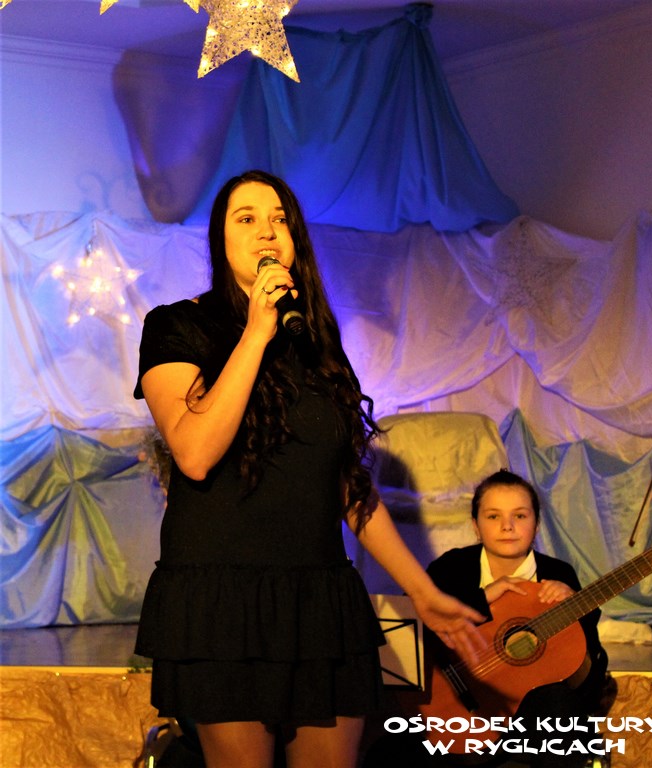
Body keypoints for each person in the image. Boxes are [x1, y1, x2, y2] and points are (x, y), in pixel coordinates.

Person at [132, 169, 486, 768]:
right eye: (246, 218)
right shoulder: (175, 326)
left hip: (319, 598)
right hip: (223, 598)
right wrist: (255, 334)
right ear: (221, 239)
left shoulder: (315, 341)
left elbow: (348, 487)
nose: (266, 232)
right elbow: (194, 452)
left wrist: (422, 591)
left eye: (280, 220)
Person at [364, 469, 609, 768]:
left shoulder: (558, 574)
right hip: (453, 711)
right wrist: (483, 597)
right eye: (493, 516)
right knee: (385, 752)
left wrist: (575, 610)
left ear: (536, 524)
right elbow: (404, 630)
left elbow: (587, 672)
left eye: (520, 515)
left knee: (560, 713)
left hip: (528, 718)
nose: (507, 526)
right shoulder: (452, 567)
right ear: (475, 526)